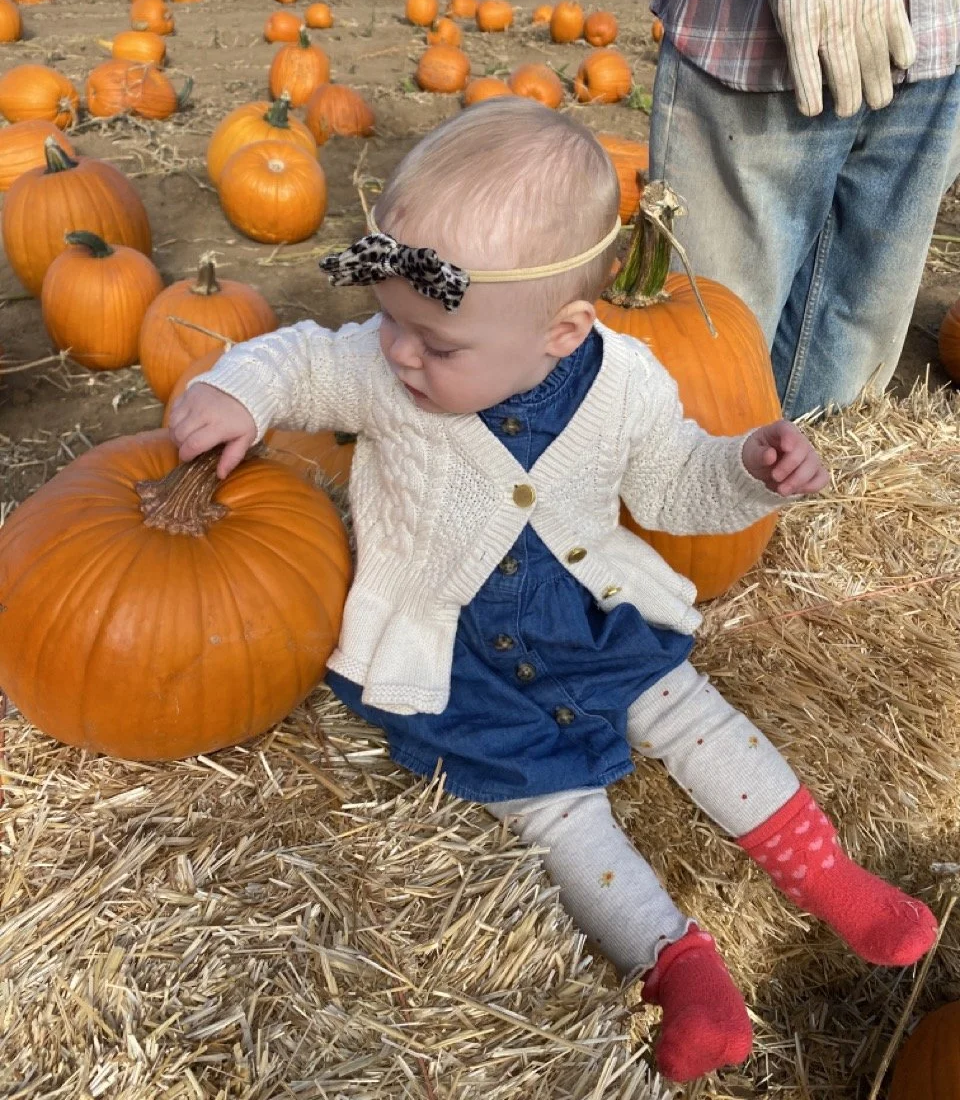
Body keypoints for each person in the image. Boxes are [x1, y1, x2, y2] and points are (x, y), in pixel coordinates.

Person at [166, 100, 936, 1085]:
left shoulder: (626, 378)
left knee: (699, 716)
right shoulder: (382, 363)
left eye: (436, 344)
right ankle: (677, 965)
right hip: (457, 655)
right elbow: (303, 352)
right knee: (561, 813)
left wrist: (746, 465)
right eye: (390, 319)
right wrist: (242, 386)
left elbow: (671, 483)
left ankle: (828, 876)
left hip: (587, 615)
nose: (399, 352)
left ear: (563, 330)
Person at [619, 0, 960, 418]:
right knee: (708, 349)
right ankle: (697, 500)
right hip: (756, 12)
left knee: (854, 361)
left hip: (937, 15)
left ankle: (801, 502)